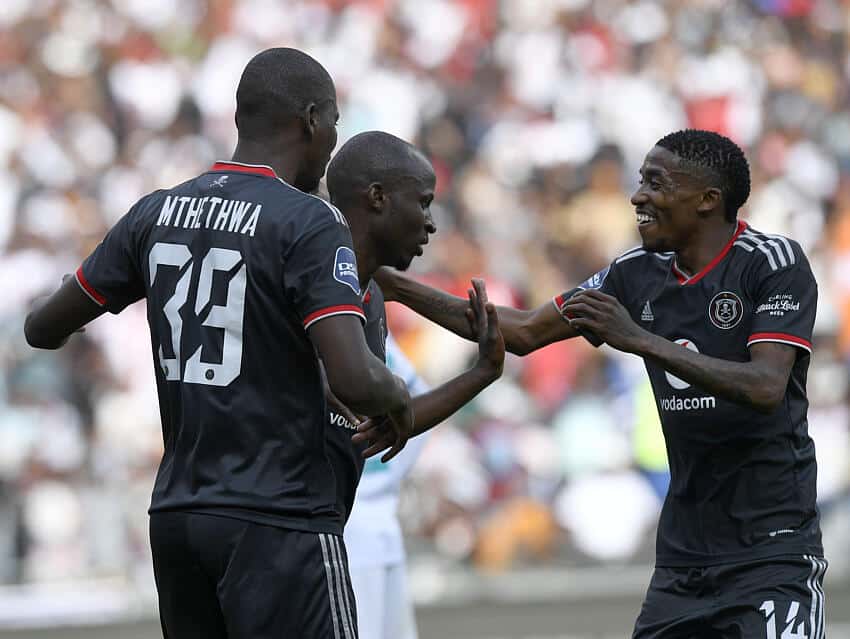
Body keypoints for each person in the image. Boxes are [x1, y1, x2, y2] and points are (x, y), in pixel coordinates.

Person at [24, 48, 416, 639]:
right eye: (335, 122)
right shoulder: (309, 221)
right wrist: (397, 395)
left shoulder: (154, 213)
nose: (336, 141)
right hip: (280, 518)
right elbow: (356, 379)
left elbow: (43, 327)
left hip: (179, 519)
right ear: (311, 120)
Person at [376, 129, 828, 638]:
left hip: (771, 554)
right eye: (640, 182)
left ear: (708, 199)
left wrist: (637, 339)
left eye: (655, 184)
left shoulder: (773, 264)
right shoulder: (635, 273)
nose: (638, 197)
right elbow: (522, 332)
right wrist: (392, 285)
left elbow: (767, 386)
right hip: (685, 561)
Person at [319, 129, 505, 639]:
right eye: (422, 203)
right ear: (377, 198)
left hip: (350, 521)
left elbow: (383, 427)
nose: (430, 222)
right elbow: (370, 403)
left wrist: (482, 373)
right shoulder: (314, 291)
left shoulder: (370, 293)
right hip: (304, 534)